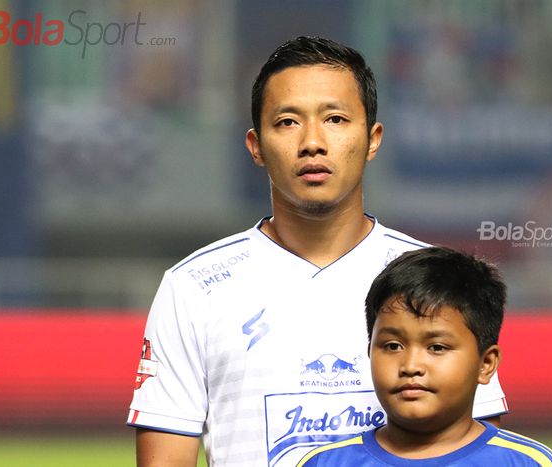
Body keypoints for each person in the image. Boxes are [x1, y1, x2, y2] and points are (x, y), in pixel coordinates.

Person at [127, 36, 508, 467]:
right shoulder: (194, 287)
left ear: (372, 138)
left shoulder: (435, 280)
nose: (313, 142)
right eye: (288, 122)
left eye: (336, 118)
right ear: (255, 146)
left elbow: (479, 453)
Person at [297, 246, 552, 466]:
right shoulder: (324, 463)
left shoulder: (527, 463)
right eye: (392, 346)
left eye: (436, 347)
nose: (411, 366)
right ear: (369, 353)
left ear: (485, 364)